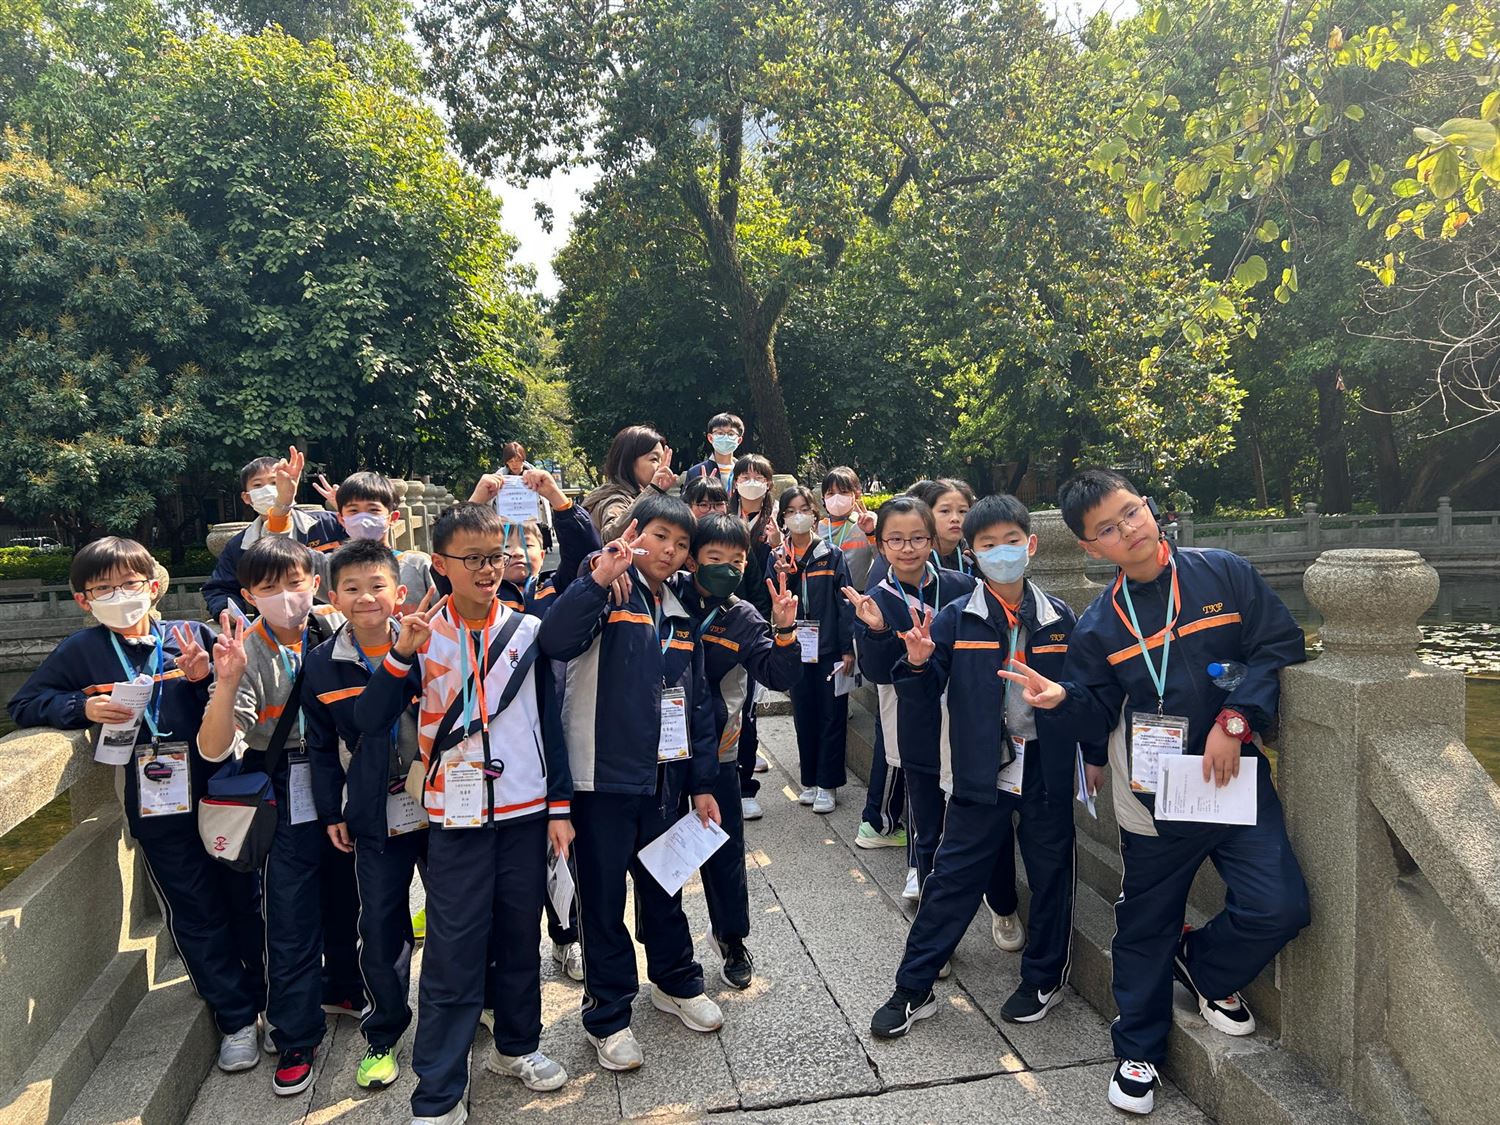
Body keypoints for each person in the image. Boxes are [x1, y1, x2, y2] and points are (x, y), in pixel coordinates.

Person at [998, 469, 1310, 1116]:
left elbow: (1279, 645)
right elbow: (1092, 712)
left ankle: (1202, 964)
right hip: (1156, 795)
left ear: (1150, 507)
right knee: (1145, 924)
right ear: (1090, 547)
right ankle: (1137, 1048)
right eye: (1107, 529)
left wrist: (1236, 718)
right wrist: (1060, 700)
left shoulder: (1222, 573)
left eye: (1132, 512)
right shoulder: (1099, 626)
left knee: (1280, 906)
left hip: (1233, 779)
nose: (1129, 530)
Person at [7, 537, 265, 1076]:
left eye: (129, 583)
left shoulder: (192, 635)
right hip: (155, 804)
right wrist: (82, 706)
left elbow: (241, 697)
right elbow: (25, 703)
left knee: (247, 896)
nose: (119, 595)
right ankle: (236, 1018)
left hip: (220, 791)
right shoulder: (81, 650)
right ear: (83, 599)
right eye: (103, 589)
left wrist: (205, 679)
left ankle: (269, 996)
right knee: (194, 907)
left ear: (153, 587)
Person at [359, 503, 573, 1124]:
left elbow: (550, 723)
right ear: (440, 564)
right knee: (452, 950)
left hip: (526, 809)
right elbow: (369, 720)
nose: (488, 569)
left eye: (495, 557)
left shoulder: (528, 631)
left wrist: (560, 805)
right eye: (473, 558)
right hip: (454, 820)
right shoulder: (420, 635)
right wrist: (399, 657)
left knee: (519, 935)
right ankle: (438, 1091)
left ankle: (517, 1046)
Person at [868, 494, 1101, 1039]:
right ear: (971, 553)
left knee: (1051, 874)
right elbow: (923, 696)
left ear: (1031, 544)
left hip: (1044, 768)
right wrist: (917, 664)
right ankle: (914, 987)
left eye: (1011, 541)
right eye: (988, 545)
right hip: (982, 768)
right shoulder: (956, 618)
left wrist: (1091, 756)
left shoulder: (1059, 619)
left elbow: (1086, 694)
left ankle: (1044, 979)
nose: (1002, 553)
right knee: (951, 877)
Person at [537, 494, 724, 1074]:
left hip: (664, 777)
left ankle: (675, 981)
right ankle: (609, 1014)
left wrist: (701, 782)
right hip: (601, 778)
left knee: (665, 885)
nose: (669, 551)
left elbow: (696, 700)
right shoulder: (605, 589)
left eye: (681, 544)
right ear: (634, 532)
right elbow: (554, 640)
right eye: (660, 536)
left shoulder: (681, 609)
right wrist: (597, 579)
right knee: (602, 900)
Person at [198, 536, 351, 1096]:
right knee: (289, 912)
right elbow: (214, 748)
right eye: (269, 587)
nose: (286, 596)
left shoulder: (335, 626)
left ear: (316, 583)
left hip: (339, 774)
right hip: (282, 782)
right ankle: (295, 1033)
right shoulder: (245, 651)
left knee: (350, 891)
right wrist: (227, 682)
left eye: (295, 583)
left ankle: (344, 986)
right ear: (248, 595)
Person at [465, 466, 601, 981]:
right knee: (515, 865)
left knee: (564, 846)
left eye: (530, 542)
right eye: (507, 545)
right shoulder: (480, 599)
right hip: (495, 746)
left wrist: (558, 500)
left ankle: (568, 936)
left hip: (555, 734)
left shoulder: (553, 593)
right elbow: (453, 557)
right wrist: (478, 501)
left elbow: (588, 553)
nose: (519, 552)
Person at [302, 540, 428, 1092]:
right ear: (333, 597)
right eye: (351, 588)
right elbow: (320, 745)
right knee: (379, 924)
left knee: (461, 912)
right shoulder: (321, 664)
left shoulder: (429, 643)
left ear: (399, 593)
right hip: (373, 810)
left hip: (441, 802)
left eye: (377, 586)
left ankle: (482, 1003)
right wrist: (331, 809)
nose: (366, 597)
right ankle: (384, 1032)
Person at [667, 514, 801, 989]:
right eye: (715, 557)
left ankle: (732, 938)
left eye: (737, 560)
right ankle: (666, 948)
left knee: (723, 849)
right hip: (663, 749)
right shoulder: (666, 595)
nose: (726, 568)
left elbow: (778, 674)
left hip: (719, 749)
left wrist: (785, 631)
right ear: (692, 559)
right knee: (661, 852)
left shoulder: (743, 616)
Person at [843, 497, 976, 902]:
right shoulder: (875, 599)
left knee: (961, 788)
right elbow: (877, 672)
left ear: (932, 540)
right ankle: (921, 865)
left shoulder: (961, 586)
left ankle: (965, 871)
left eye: (917, 538)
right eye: (896, 539)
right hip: (909, 708)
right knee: (921, 788)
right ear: (881, 545)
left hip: (960, 705)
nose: (907, 548)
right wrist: (878, 631)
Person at [778, 485, 855, 814]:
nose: (798, 516)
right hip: (796, 649)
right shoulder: (779, 557)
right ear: (783, 517)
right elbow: (775, 601)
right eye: (791, 511)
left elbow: (845, 603)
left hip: (829, 650)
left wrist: (847, 648)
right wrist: (784, 573)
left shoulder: (832, 555)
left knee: (832, 715)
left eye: (804, 509)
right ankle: (809, 781)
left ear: (815, 514)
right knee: (804, 715)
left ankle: (828, 784)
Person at [202, 447, 346, 619]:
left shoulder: (328, 523)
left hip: (336, 622)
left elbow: (367, 552)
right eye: (257, 485)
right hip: (275, 628)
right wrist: (227, 611)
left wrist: (351, 513)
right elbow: (220, 588)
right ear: (247, 497)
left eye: (274, 482)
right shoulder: (239, 546)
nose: (268, 489)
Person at [728, 453, 780, 815]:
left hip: (751, 623)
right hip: (714, 625)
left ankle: (745, 787)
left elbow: (765, 587)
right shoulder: (724, 520)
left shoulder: (775, 521)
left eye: (758, 476)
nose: (750, 482)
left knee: (745, 710)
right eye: (743, 476)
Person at [333, 471, 435, 612]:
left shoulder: (417, 566)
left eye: (373, 510)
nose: (363, 518)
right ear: (341, 519)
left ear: (393, 517)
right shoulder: (335, 567)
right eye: (353, 511)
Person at [581, 425, 678, 541]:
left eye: (662, 460)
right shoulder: (614, 498)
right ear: (629, 461)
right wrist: (653, 490)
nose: (661, 467)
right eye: (654, 459)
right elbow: (611, 535)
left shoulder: (639, 494)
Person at [816, 466, 878, 590]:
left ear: (856, 495)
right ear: (824, 498)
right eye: (831, 493)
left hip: (859, 595)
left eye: (844, 492)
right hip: (827, 596)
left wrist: (871, 533)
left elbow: (883, 560)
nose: (837, 498)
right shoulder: (816, 528)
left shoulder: (866, 522)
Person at [908, 479, 976, 574]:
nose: (955, 518)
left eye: (962, 511)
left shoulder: (975, 556)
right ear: (926, 514)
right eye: (945, 511)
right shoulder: (910, 558)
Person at [683, 411, 745, 491]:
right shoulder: (695, 472)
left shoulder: (745, 471)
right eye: (720, 433)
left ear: (739, 440)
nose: (725, 437)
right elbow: (686, 499)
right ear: (710, 438)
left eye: (731, 434)